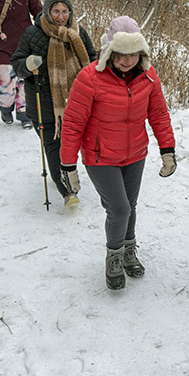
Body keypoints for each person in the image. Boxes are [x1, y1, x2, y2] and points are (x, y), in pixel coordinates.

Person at [59, 16, 177, 290]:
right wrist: (68, 165)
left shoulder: (148, 75)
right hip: (101, 157)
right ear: (110, 50)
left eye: (133, 54)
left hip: (135, 153)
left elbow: (159, 114)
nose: (127, 61)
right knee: (120, 209)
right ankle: (114, 255)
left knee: (130, 206)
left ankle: (128, 249)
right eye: (122, 54)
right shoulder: (89, 78)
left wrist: (167, 150)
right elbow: (73, 124)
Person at [10, 0, 98, 207]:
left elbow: (93, 58)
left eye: (65, 11)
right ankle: (67, 191)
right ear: (47, 11)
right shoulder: (32, 33)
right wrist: (28, 65)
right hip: (45, 103)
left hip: (76, 102)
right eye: (56, 11)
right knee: (53, 146)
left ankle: (68, 175)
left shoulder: (78, 32)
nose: (61, 16)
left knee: (72, 145)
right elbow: (17, 65)